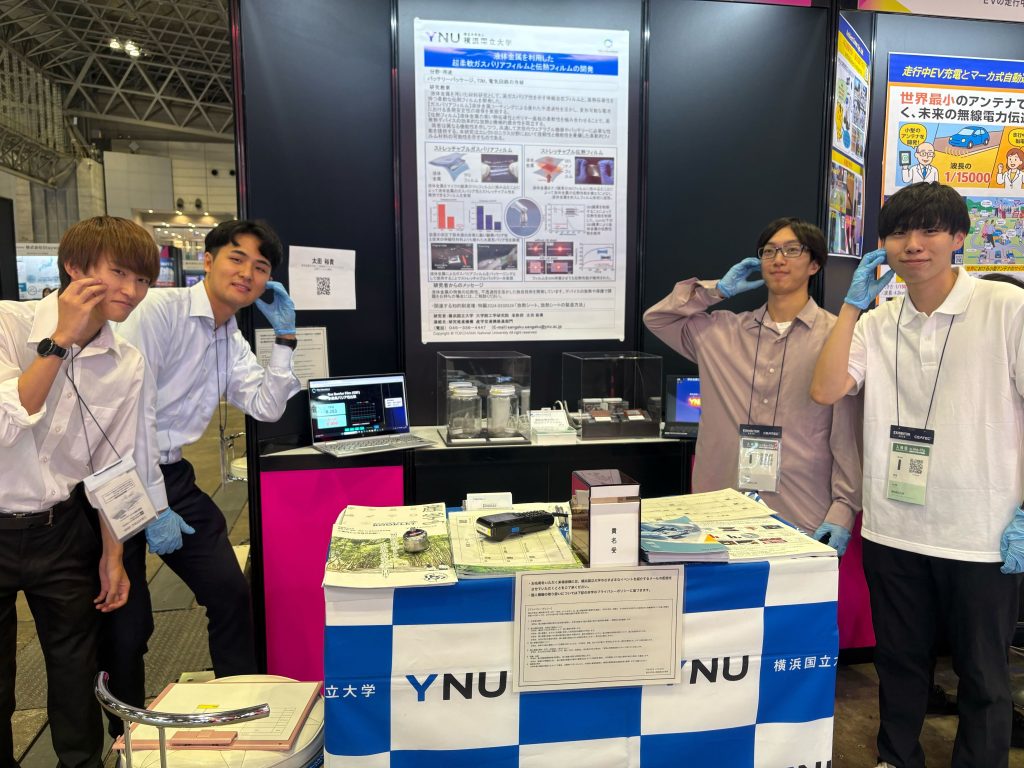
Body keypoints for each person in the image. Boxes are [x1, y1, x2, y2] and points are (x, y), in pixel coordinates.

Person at [810, 182, 1024, 768]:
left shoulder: (1006, 307)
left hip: (981, 532)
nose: (913, 244)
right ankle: (895, 758)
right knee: (899, 662)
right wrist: (852, 306)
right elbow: (826, 389)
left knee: (983, 672)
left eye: (930, 230)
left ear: (959, 238)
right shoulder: (877, 321)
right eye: (899, 232)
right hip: (894, 528)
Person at [100, 219, 300, 733]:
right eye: (237, 258)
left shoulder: (229, 336)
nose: (248, 273)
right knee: (127, 623)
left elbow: (265, 406)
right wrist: (151, 504)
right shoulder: (158, 312)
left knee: (231, 593)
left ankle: (241, 716)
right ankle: (125, 739)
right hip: (117, 475)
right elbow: (129, 413)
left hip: (172, 476)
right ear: (208, 261)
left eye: (261, 267)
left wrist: (285, 339)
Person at [0, 216, 163, 768]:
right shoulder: (7, 324)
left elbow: (115, 465)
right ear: (74, 268)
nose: (132, 291)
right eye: (119, 273)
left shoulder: (127, 362)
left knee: (76, 670)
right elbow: (9, 420)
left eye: (142, 280)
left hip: (62, 528)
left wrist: (113, 556)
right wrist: (59, 341)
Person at [643, 217, 861, 552]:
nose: (778, 259)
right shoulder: (720, 332)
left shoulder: (839, 337)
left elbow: (848, 435)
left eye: (792, 250)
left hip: (803, 512)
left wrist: (842, 512)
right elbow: (657, 318)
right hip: (718, 510)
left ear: (815, 264)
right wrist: (716, 291)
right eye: (769, 251)